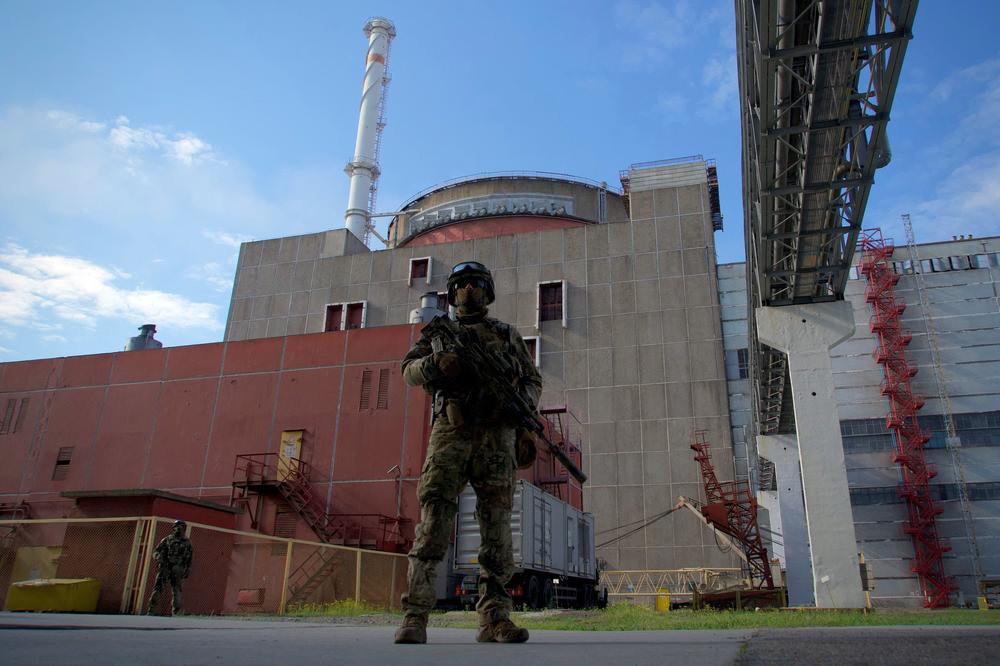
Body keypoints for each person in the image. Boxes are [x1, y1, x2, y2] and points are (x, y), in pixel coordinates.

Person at [394, 261, 542, 645]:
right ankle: (415, 616)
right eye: (462, 285)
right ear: (452, 293)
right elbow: (408, 370)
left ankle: (494, 619)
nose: (469, 290)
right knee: (434, 524)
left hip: (497, 438)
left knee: (497, 532)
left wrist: (521, 410)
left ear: (488, 291)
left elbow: (531, 379)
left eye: (476, 284)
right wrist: (436, 363)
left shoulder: (506, 334)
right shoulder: (440, 334)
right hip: (451, 434)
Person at [146, 519, 193, 616]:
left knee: (176, 590)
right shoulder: (168, 539)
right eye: (177, 526)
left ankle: (175, 612)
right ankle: (151, 610)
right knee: (159, 588)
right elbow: (156, 552)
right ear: (173, 528)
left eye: (181, 527)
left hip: (177, 568)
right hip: (165, 566)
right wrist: (160, 558)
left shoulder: (187, 543)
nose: (179, 529)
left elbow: (189, 558)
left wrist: (187, 569)